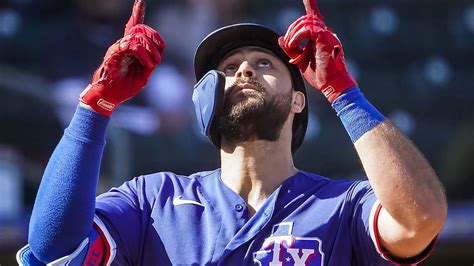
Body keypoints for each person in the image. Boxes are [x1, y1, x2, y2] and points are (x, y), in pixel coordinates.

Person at [17, 0, 447, 265]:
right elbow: (54, 249)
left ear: (299, 99)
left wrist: (344, 92)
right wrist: (96, 105)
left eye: (264, 64)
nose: (243, 69)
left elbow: (422, 218)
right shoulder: (151, 202)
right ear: (205, 102)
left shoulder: (343, 206)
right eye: (228, 69)